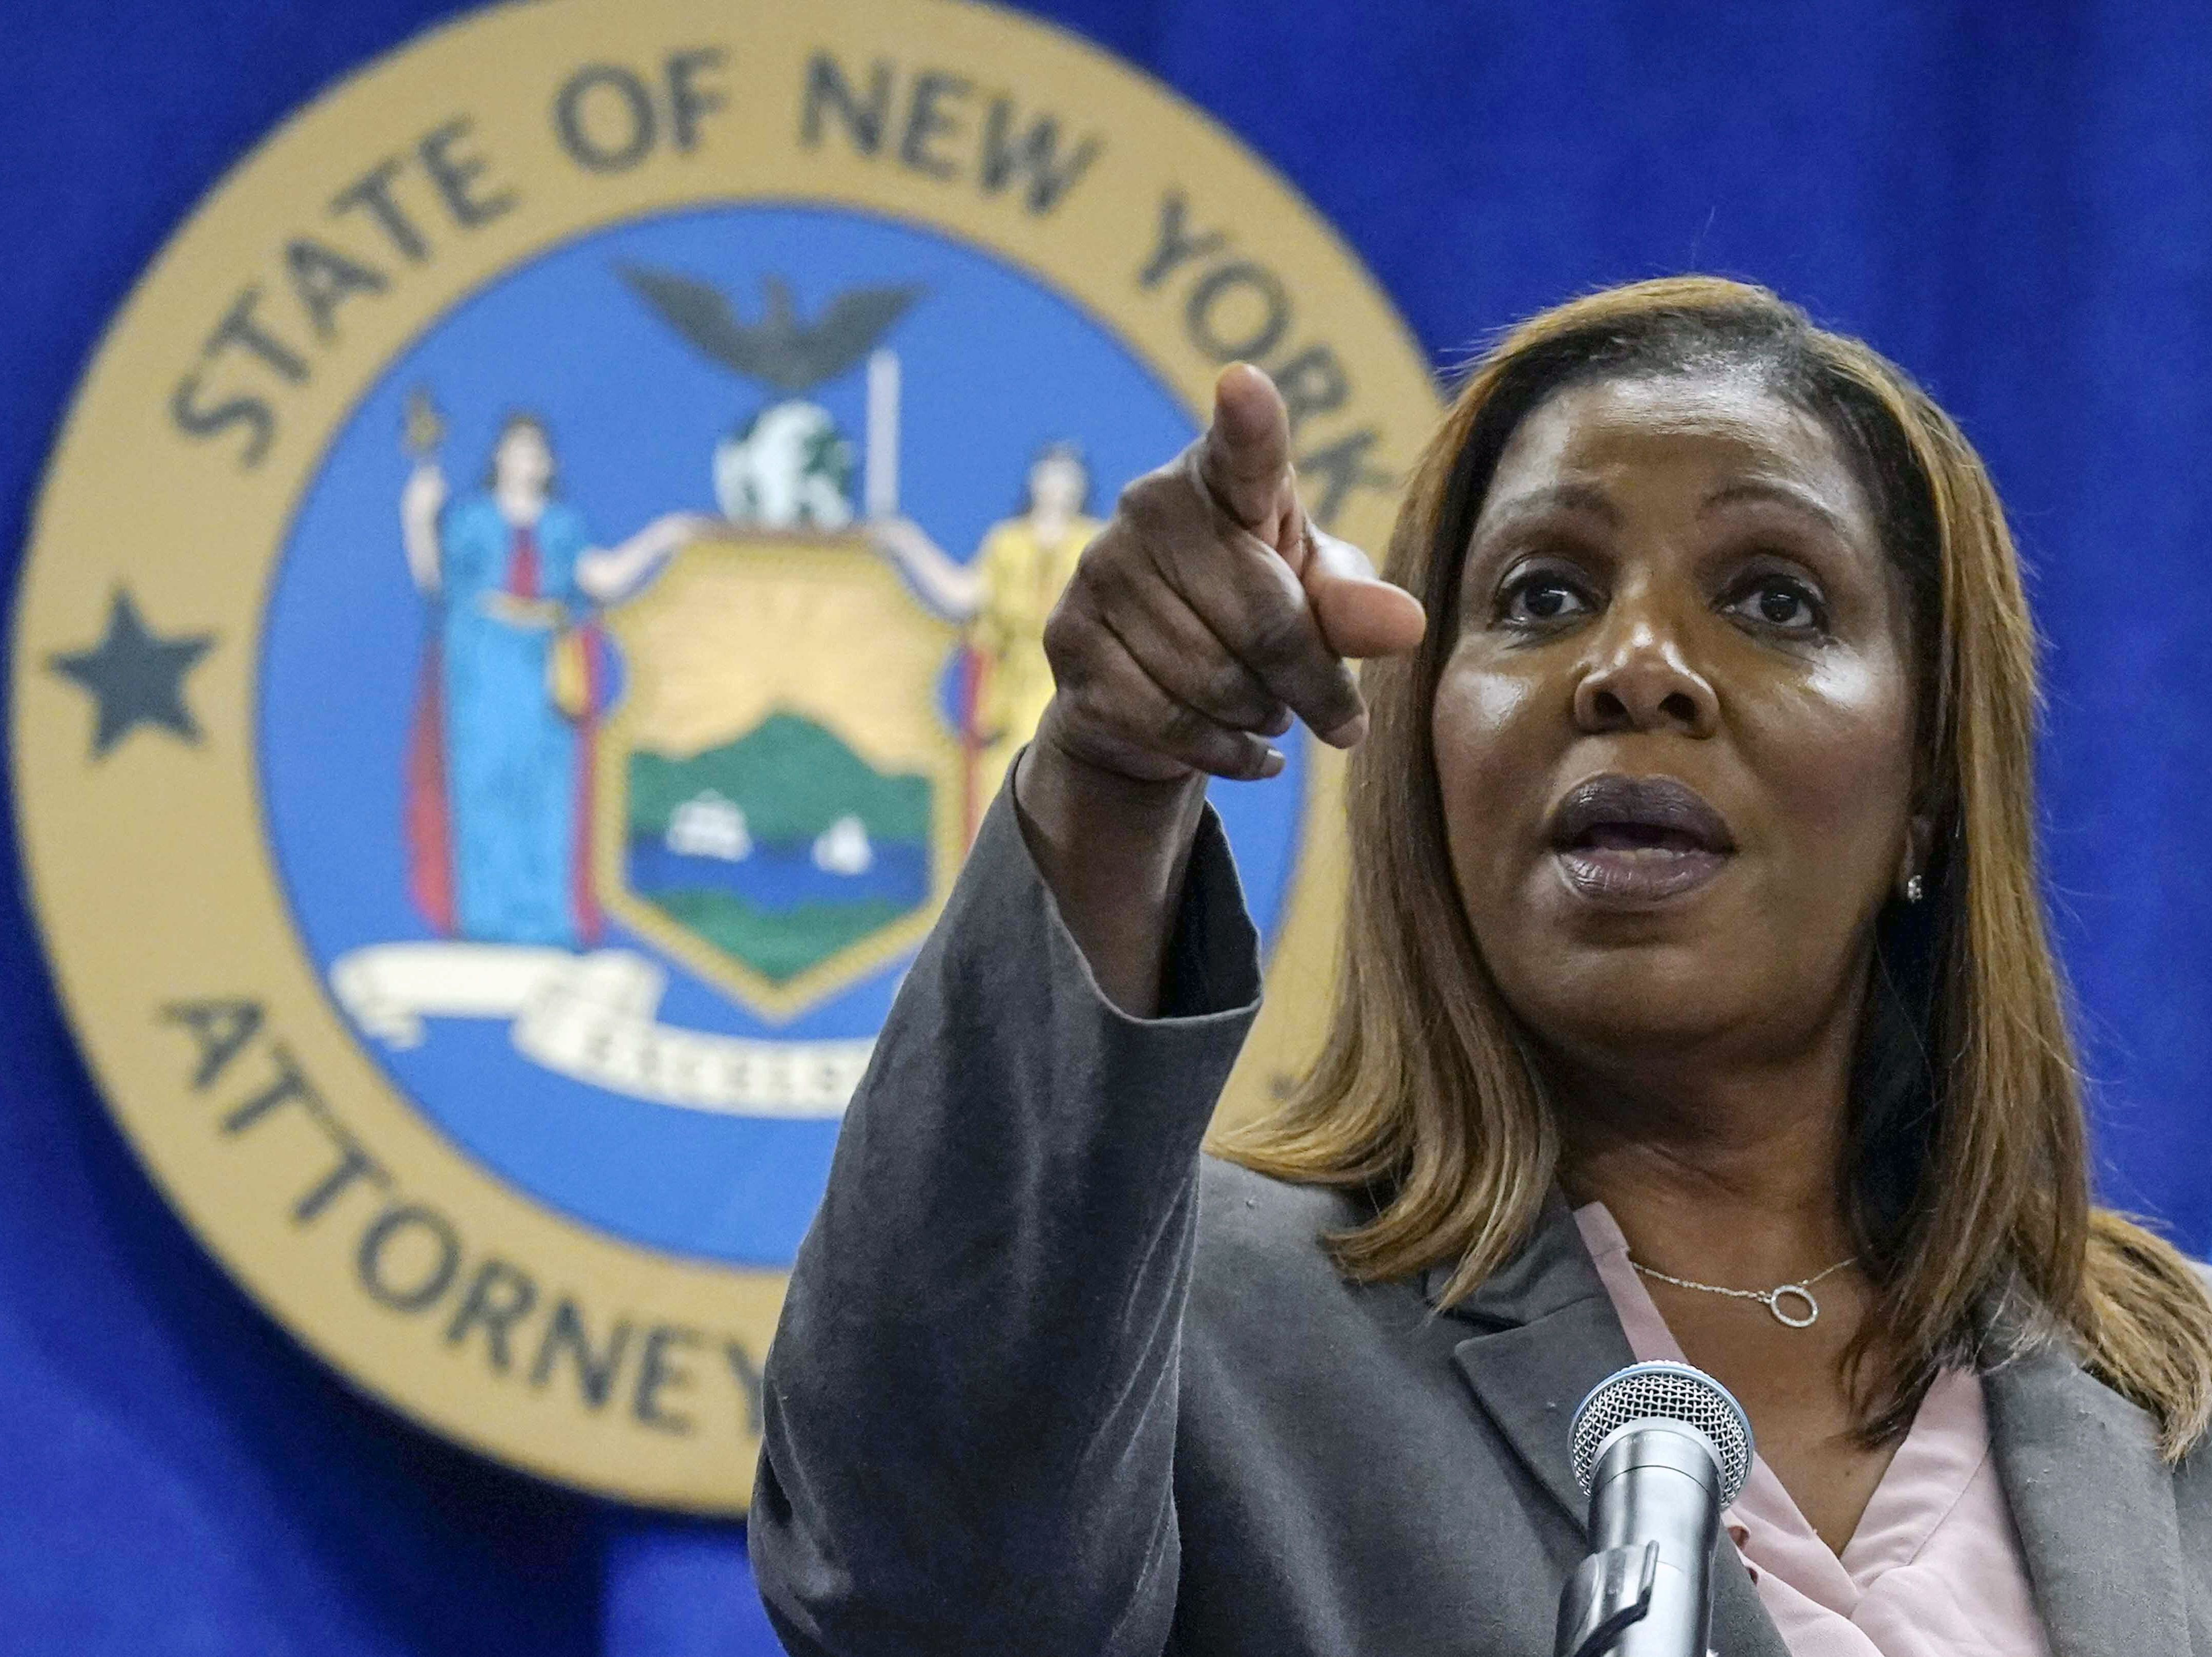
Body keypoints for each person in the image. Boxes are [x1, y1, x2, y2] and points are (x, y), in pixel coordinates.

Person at [750, 279, 2212, 1655]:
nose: (1633, 665)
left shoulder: (2170, 1391)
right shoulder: (1169, 1318)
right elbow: (912, 1590)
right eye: (1538, 596)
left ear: (1925, 787)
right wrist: (1110, 771)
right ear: (1427, 745)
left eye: (1771, 599)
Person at [399, 414, 708, 948]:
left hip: (545, 665)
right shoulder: (472, 520)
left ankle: (542, 917)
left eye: (536, 453)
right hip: (481, 665)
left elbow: (600, 578)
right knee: (484, 786)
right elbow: (435, 580)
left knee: (546, 791)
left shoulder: (564, 526)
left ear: (549, 464)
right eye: (517, 451)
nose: (527, 462)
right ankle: (487, 918)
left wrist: (661, 539)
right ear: (499, 457)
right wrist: (418, 517)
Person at [868, 443, 1104, 830]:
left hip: (1073, 695)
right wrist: (909, 545)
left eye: (1067, 476)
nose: (1057, 485)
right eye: (1049, 474)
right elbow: (963, 596)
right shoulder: (1007, 543)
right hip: (1013, 698)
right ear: (1034, 481)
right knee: (1005, 802)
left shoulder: (1095, 543)